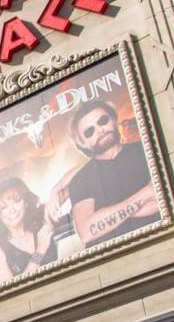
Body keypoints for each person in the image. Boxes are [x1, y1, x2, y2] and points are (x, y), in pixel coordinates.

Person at [66, 101, 160, 245]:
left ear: (114, 119)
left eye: (103, 121)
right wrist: (146, 193)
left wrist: (107, 216)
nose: (100, 130)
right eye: (89, 131)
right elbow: (86, 231)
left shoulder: (146, 150)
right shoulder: (80, 180)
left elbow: (162, 200)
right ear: (82, 143)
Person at [0, 176, 55, 284]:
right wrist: (40, 251)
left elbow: (74, 182)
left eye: (16, 201)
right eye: (4, 207)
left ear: (26, 203)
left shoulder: (40, 228)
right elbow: (13, 291)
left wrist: (54, 194)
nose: (12, 210)